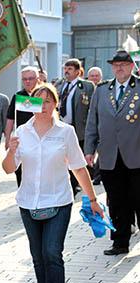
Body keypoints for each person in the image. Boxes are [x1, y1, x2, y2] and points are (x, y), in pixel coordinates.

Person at [2, 83, 104, 283]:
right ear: (31, 104)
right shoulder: (22, 132)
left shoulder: (65, 132)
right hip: (28, 203)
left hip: (58, 201)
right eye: (38, 101)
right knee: (38, 257)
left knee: (52, 253)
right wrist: (10, 151)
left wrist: (92, 199)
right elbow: (7, 168)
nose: (43, 105)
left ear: (55, 104)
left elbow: (79, 168)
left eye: (48, 101)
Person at [85, 49, 140, 256]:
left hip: (136, 155)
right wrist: (89, 150)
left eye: (124, 64)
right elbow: (93, 122)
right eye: (116, 64)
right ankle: (120, 242)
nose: (119, 68)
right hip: (109, 156)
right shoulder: (102, 90)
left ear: (132, 66)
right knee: (116, 201)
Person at [55, 58, 95, 193]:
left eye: (70, 69)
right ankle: (69, 183)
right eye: (65, 68)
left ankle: (78, 183)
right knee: (63, 156)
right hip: (61, 127)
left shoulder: (86, 86)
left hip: (79, 128)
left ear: (78, 71)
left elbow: (92, 107)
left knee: (77, 157)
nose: (66, 71)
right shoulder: (59, 85)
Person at [4, 66, 40, 187]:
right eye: (24, 79)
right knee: (20, 170)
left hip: (40, 138)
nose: (27, 81)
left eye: (30, 78)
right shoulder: (18, 96)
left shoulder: (44, 95)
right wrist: (8, 138)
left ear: (37, 79)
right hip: (23, 138)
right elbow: (10, 119)